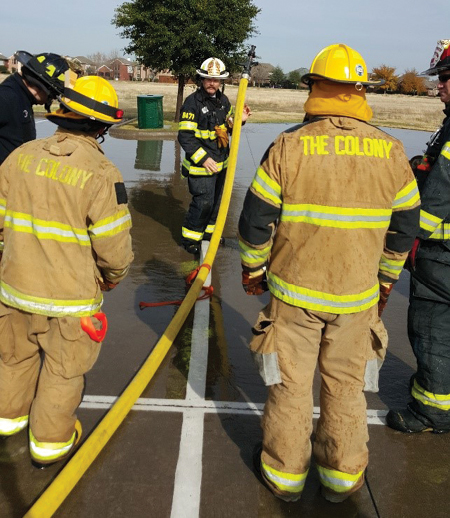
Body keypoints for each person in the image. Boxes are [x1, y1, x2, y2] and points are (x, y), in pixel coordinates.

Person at [238, 44, 420, 503]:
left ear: (314, 87)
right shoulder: (392, 151)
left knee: (290, 386)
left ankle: (284, 476)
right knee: (346, 388)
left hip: (294, 297)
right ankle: (341, 478)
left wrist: (253, 271)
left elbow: (255, 220)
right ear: (360, 91)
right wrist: (384, 282)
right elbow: (404, 229)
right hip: (357, 299)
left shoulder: (289, 145)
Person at [0, 75, 134, 467]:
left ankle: (7, 421)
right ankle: (49, 444)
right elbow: (114, 251)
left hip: (13, 291)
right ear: (103, 125)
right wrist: (112, 278)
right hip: (70, 302)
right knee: (62, 372)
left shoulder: (19, 156)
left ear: (60, 113)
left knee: (12, 360)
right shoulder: (102, 173)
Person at [386, 40, 450, 434]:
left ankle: (432, 409)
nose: (439, 86)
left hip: (441, 257)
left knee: (432, 328)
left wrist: (399, 236)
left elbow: (436, 205)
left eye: (445, 78)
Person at [178, 57, 251, 255]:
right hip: (201, 165)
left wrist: (239, 121)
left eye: (216, 80)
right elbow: (185, 137)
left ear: (221, 82)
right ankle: (191, 240)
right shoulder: (192, 103)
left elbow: (229, 126)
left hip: (221, 164)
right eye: (208, 79)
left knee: (217, 204)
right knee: (203, 203)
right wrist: (204, 159)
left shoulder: (223, 101)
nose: (212, 83)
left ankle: (210, 236)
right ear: (201, 79)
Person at [0, 50, 69, 165]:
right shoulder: (6, 97)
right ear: (42, 87)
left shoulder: (22, 97)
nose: (51, 99)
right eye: (52, 95)